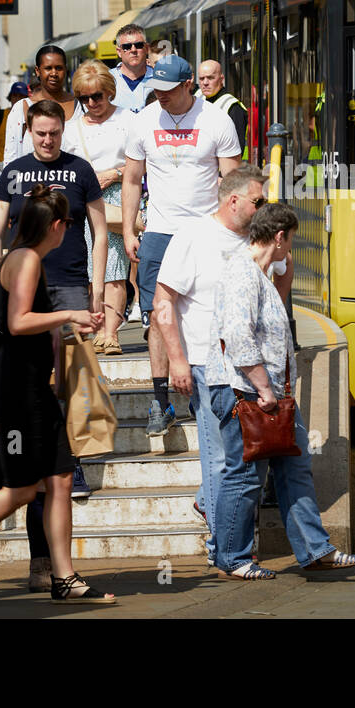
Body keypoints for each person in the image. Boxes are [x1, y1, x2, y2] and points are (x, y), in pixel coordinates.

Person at [0, 186, 115, 605]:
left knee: (61, 479)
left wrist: (68, 328)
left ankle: (64, 577)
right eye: (68, 222)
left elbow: (28, 324)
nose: (69, 229)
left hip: (33, 389)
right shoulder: (26, 260)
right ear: (56, 226)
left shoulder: (29, 259)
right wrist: (70, 313)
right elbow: (17, 322)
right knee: (21, 489)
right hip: (15, 394)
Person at [206, 203, 355, 579]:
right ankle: (233, 558)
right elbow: (240, 335)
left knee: (295, 469)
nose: (290, 248)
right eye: (290, 240)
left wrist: (284, 284)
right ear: (279, 237)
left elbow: (263, 326)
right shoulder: (243, 273)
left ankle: (315, 549)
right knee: (244, 477)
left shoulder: (259, 275)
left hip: (269, 393)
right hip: (246, 391)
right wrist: (263, 386)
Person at [0, 99, 107, 498]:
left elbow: (100, 232)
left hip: (71, 282)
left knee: (70, 380)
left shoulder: (80, 170)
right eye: (40, 133)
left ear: (63, 130)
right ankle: (31, 461)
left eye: (54, 132)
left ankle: (71, 465)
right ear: (28, 130)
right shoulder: (14, 172)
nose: (47, 140)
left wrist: (99, 289)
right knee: (33, 377)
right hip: (26, 285)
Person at [153, 165, 268, 563]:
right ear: (233, 200)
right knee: (220, 460)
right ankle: (224, 548)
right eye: (259, 200)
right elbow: (163, 301)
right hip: (205, 364)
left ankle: (210, 506)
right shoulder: (194, 236)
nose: (264, 207)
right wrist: (178, 361)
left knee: (250, 458)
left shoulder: (260, 239)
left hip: (254, 368)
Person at [122, 55, 242, 436]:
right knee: (158, 315)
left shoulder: (217, 121)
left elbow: (232, 182)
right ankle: (161, 403)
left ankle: (210, 391)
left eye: (169, 91)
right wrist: (128, 230)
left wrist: (232, 233)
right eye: (156, 91)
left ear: (189, 84)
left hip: (205, 230)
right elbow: (131, 179)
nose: (162, 98)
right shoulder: (143, 120)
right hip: (159, 231)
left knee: (209, 310)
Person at [61, 60, 131, 355]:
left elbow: (142, 163)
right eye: (85, 98)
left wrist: (114, 174)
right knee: (88, 270)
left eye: (97, 96)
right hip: (81, 201)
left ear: (109, 93)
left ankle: (110, 332)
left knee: (115, 267)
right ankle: (94, 327)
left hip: (116, 196)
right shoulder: (70, 129)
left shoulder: (128, 120)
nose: (92, 103)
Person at [3, 46, 81, 163]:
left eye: (59, 68)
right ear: (37, 71)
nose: (54, 73)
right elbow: (11, 159)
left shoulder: (81, 106)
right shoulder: (21, 108)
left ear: (65, 70)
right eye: (48, 68)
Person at [197, 59, 248, 155]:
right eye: (201, 78)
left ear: (221, 79)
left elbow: (235, 149)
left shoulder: (232, 107)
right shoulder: (197, 98)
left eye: (210, 78)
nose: (205, 82)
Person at [111, 24, 154, 114]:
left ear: (146, 48)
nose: (133, 50)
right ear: (119, 52)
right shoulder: (107, 80)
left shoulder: (160, 78)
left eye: (138, 45)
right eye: (127, 47)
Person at [0, 81, 30, 163]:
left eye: (21, 96)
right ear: (10, 97)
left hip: (25, 163)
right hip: (1, 164)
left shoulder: (32, 117)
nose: (17, 99)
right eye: (15, 95)